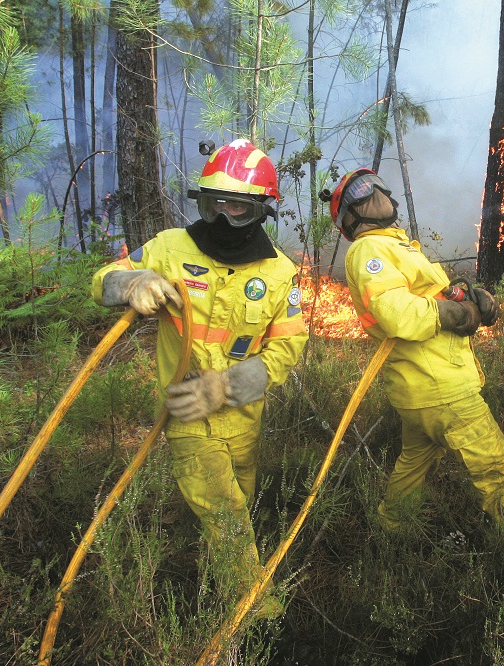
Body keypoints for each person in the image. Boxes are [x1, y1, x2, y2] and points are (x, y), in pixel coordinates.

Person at [92, 138, 308, 617]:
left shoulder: (280, 273)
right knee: (227, 514)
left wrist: (227, 387)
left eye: (237, 208)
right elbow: (104, 279)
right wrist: (132, 282)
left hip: (244, 416)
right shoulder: (171, 248)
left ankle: (215, 581)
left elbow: (288, 346)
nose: (221, 220)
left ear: (262, 211)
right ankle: (259, 615)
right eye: (213, 205)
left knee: (238, 506)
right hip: (187, 413)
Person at [322, 168, 504, 535]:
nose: (375, 197)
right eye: (363, 196)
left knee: (417, 460)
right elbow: (397, 313)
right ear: (349, 218)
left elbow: (433, 297)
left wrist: (473, 301)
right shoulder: (370, 249)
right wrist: (456, 314)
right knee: (497, 465)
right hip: (439, 386)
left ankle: (393, 529)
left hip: (423, 384)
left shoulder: (396, 246)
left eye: (377, 189)